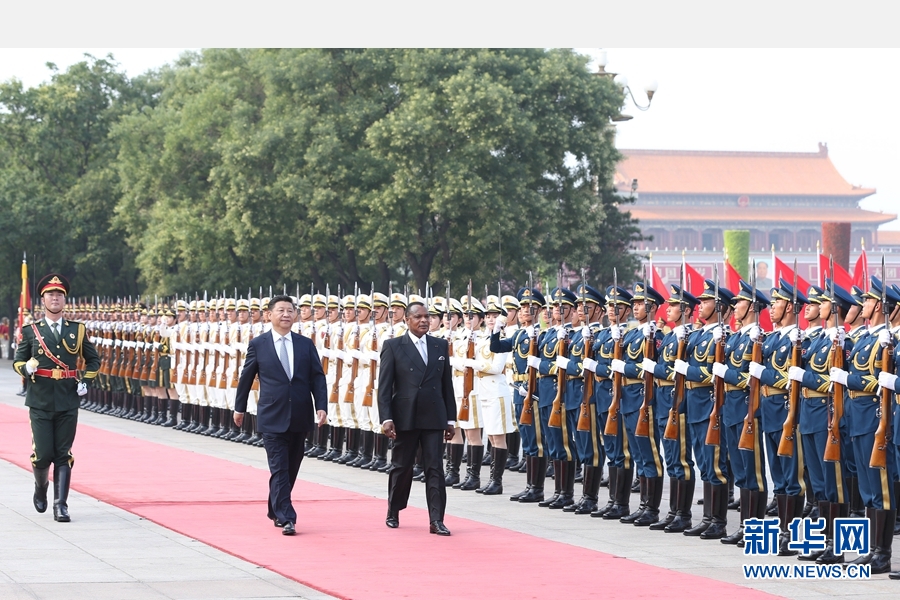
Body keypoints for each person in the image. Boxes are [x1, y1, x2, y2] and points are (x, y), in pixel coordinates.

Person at [233, 295, 328, 536]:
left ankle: (275, 508)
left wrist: (322, 405)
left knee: (291, 466)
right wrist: (239, 407)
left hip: (300, 414)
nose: (286, 314)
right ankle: (287, 516)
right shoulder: (259, 344)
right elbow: (246, 377)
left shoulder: (305, 344)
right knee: (279, 467)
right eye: (281, 310)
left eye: (290, 310)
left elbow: (317, 376)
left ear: (295, 315)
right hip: (271, 415)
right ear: (269, 315)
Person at [13, 273, 101, 522]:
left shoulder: (78, 330)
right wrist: (25, 368)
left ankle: (60, 505)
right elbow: (18, 360)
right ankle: (41, 488)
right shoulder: (31, 331)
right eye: (50, 295)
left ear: (64, 300)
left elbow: (93, 359)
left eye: (59, 295)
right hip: (39, 399)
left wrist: (86, 381)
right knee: (42, 453)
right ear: (43, 300)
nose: (55, 298)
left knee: (64, 453)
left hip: (67, 398)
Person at [378, 300, 456, 535]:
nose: (424, 321)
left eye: (427, 317)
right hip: (405, 415)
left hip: (433, 415)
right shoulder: (393, 346)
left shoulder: (439, 345)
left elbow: (446, 385)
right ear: (407, 320)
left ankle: (436, 519)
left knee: (435, 468)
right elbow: (384, 386)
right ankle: (394, 509)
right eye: (418, 317)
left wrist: (450, 419)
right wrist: (386, 418)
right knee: (401, 467)